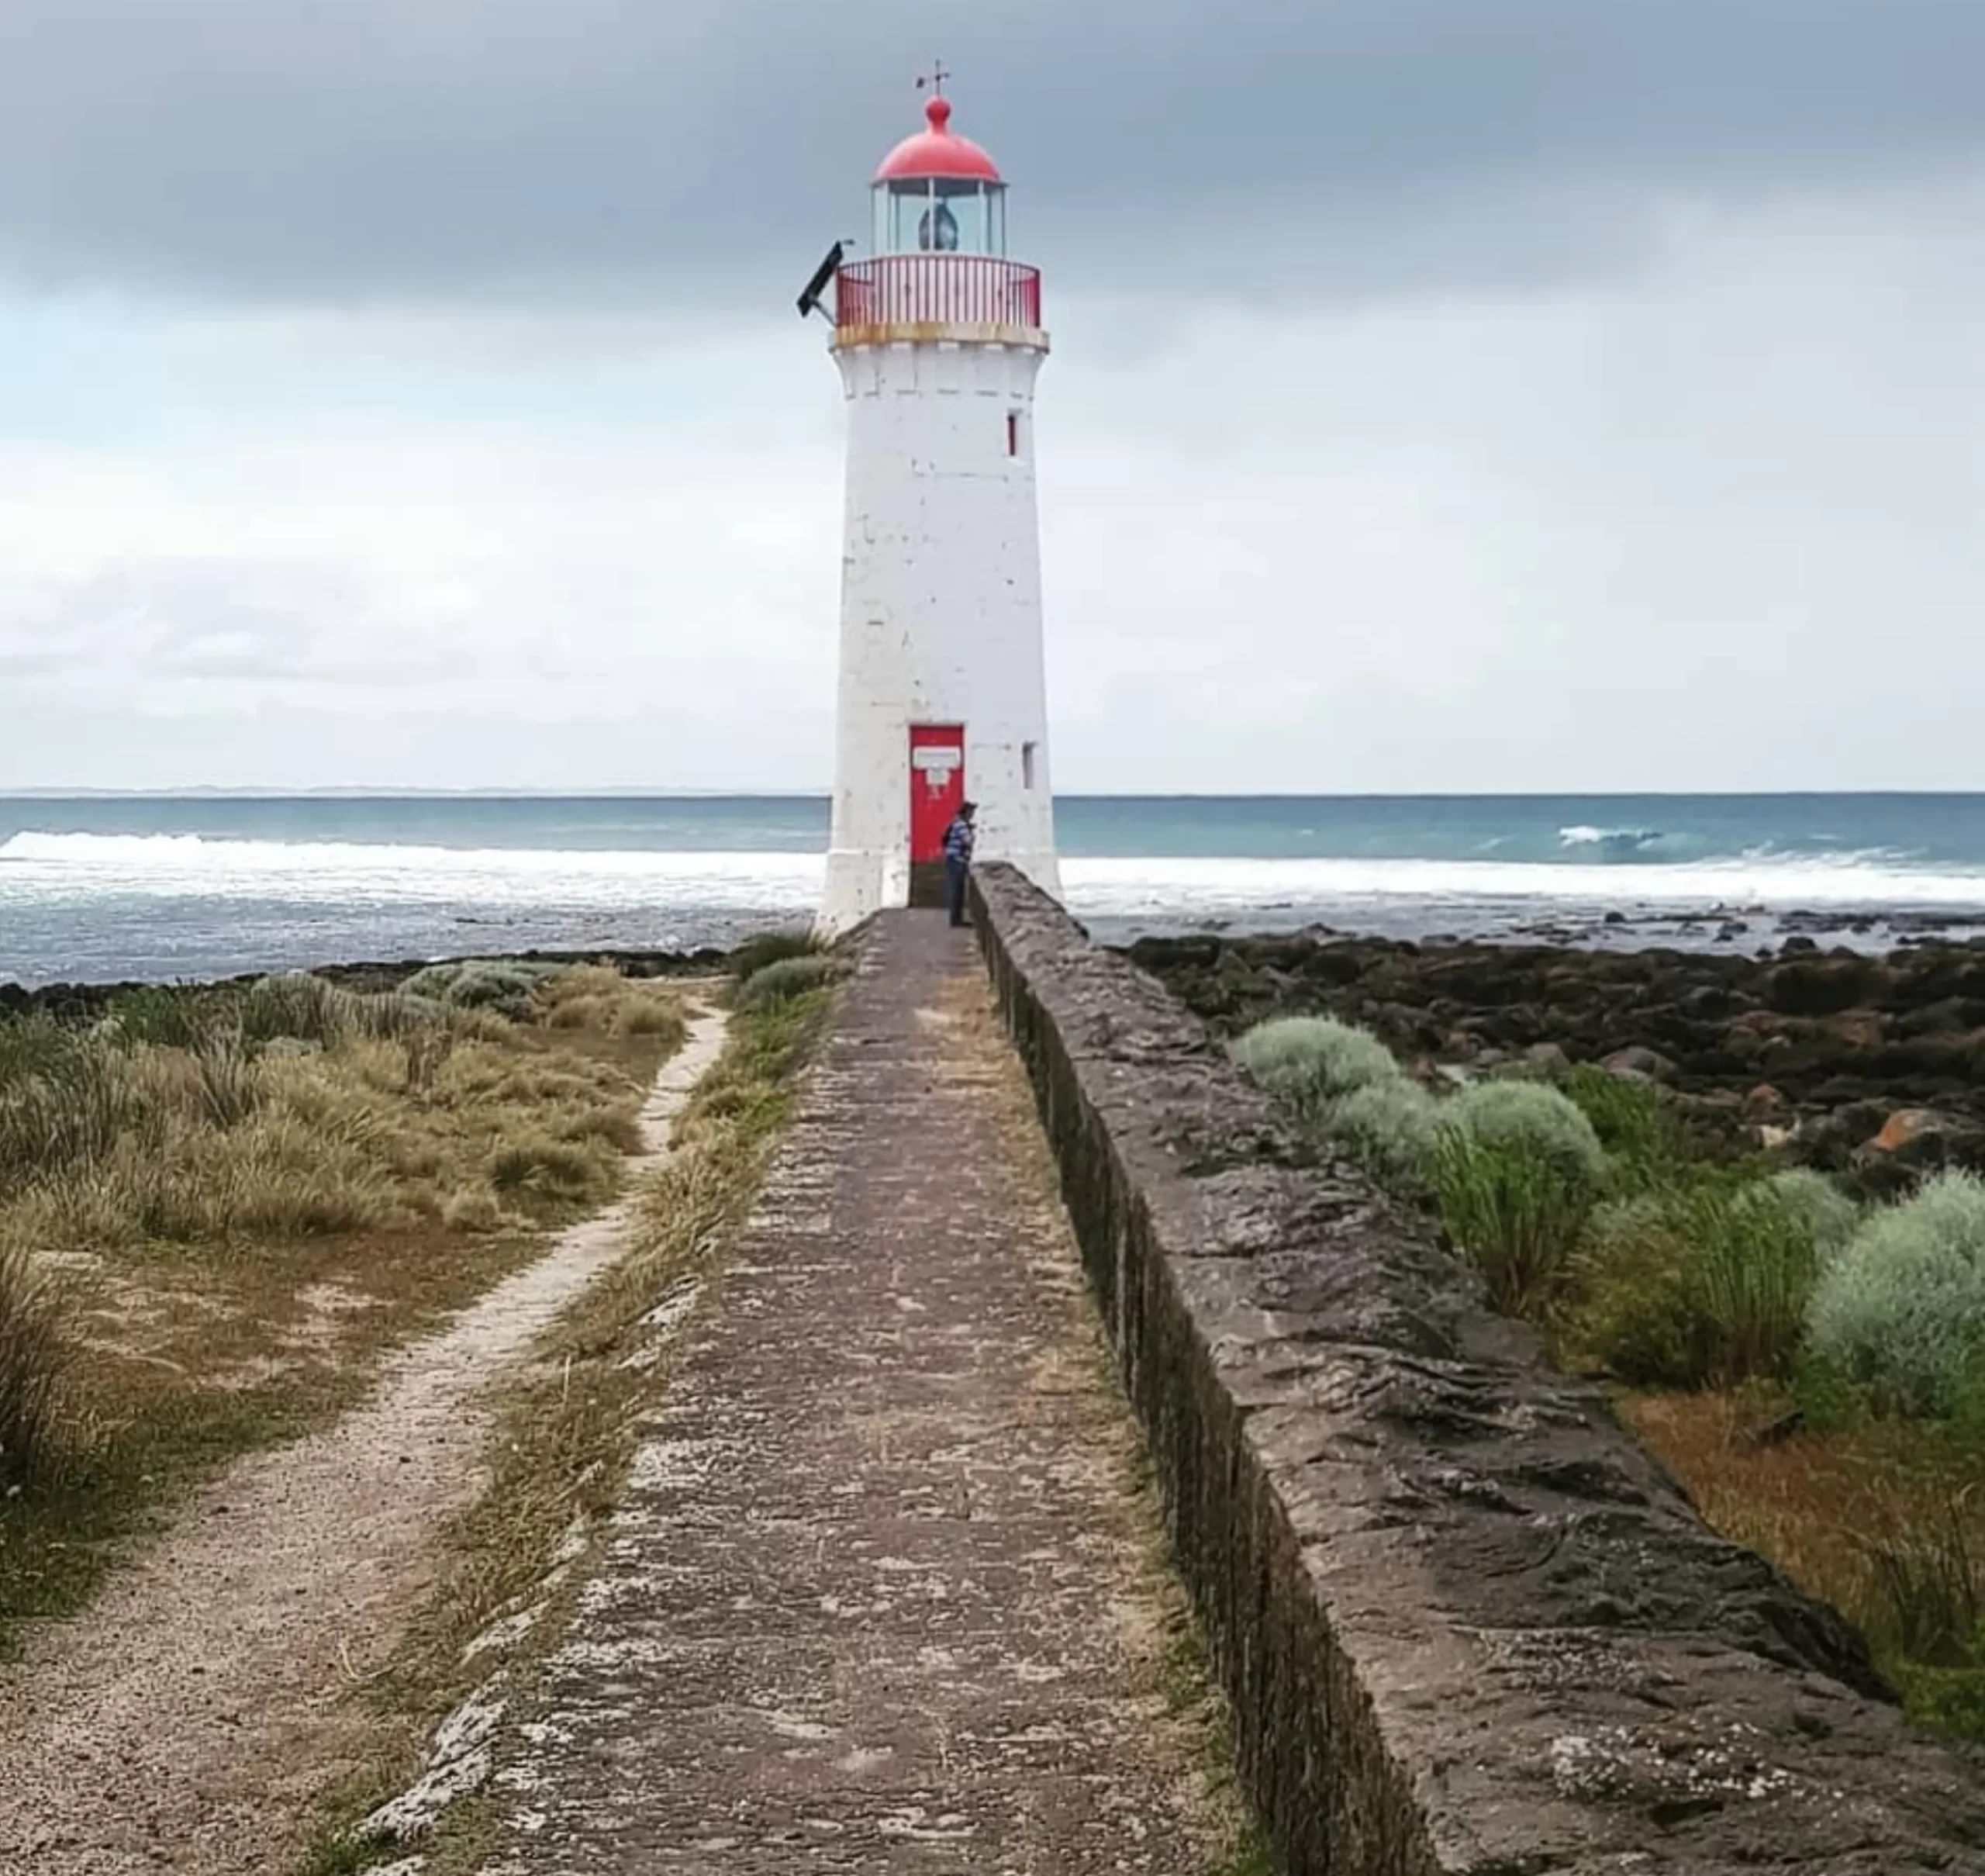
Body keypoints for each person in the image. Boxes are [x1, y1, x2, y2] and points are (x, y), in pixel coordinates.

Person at [943, 800, 977, 928]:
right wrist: (971, 833)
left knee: (956, 889)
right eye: (971, 812)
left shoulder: (956, 824)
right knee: (957, 890)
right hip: (957, 860)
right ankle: (956, 920)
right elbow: (968, 841)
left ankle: (956, 919)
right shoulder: (962, 826)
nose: (972, 814)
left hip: (953, 859)